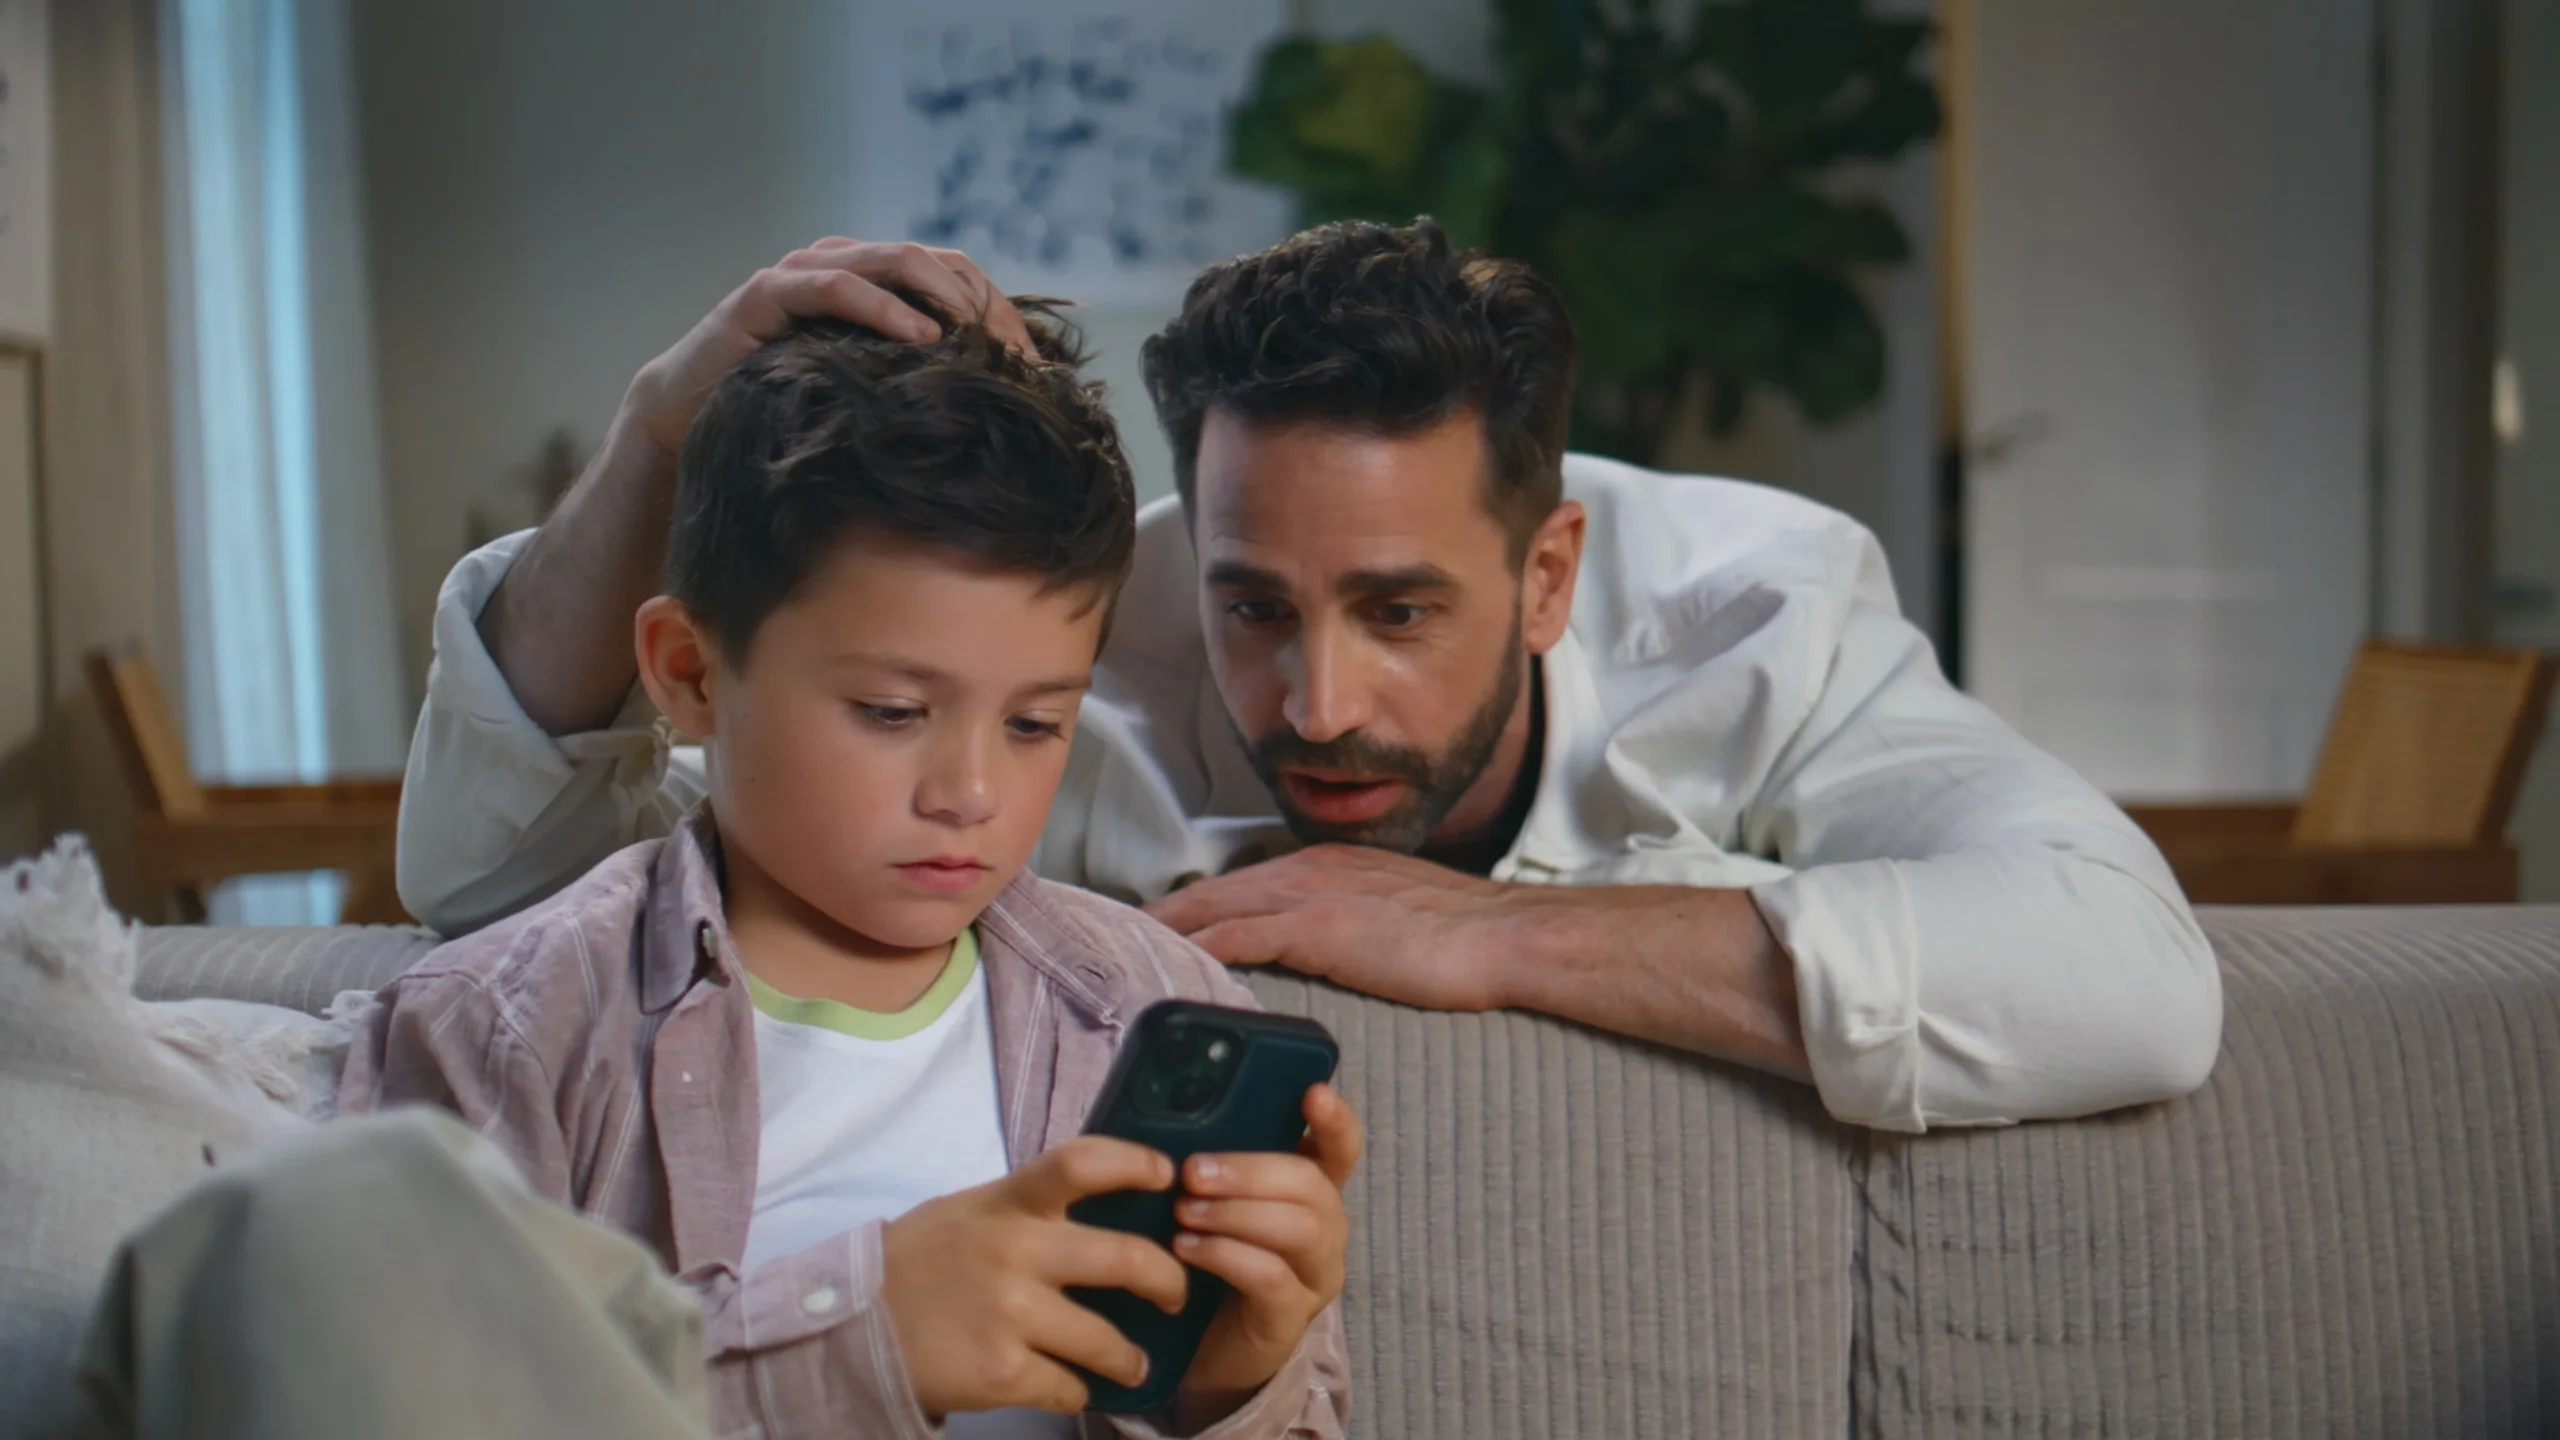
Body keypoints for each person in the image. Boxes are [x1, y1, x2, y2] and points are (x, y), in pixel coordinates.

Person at [397, 220, 2222, 1134]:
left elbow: (2133, 976)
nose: (1320, 701)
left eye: (1404, 613)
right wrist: (658, 431)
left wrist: (1495, 940)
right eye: (1257, 606)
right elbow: (487, 889)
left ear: (1550, 573)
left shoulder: (1765, 613)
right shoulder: (1073, 648)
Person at [339, 309, 1358, 1438]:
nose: (968, 792)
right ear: (688, 674)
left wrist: (1230, 1389)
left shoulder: (1158, 1011)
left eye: (1035, 723)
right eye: (891, 712)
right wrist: (854, 1343)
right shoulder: (507, 1033)